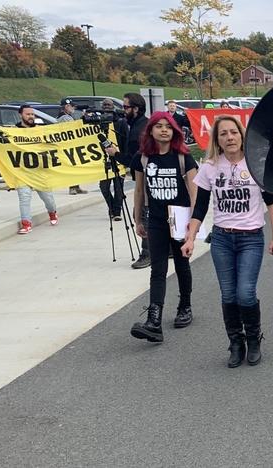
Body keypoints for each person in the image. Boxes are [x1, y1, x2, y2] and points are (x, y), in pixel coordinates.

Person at [182, 116, 273, 368]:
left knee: (245, 293)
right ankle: (235, 343)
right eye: (223, 134)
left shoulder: (256, 164)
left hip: (251, 239)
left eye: (233, 132)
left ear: (242, 135)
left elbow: (271, 203)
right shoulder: (210, 167)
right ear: (217, 140)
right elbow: (200, 207)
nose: (229, 137)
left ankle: (253, 339)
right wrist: (190, 237)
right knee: (228, 294)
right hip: (222, 239)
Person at [129, 112, 198, 343]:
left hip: (179, 218)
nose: (163, 130)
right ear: (150, 130)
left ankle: (185, 306)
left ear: (175, 130)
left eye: (168, 126)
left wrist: (194, 225)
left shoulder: (183, 157)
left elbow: (194, 191)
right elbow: (139, 190)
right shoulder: (143, 158)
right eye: (158, 126)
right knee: (157, 268)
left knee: (181, 264)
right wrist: (138, 218)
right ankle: (154, 319)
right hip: (156, 219)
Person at [105, 93, 150, 269]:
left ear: (136, 109)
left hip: (146, 178)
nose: (123, 111)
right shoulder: (138, 125)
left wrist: (115, 154)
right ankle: (164, 248)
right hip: (148, 176)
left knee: (143, 214)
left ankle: (147, 253)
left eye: (125, 107)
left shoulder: (139, 131)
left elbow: (133, 161)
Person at [15, 105, 58, 234]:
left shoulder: (40, 130)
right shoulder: (13, 131)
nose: (31, 117)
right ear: (20, 115)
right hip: (22, 173)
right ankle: (26, 223)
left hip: (39, 171)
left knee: (48, 199)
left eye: (32, 114)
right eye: (28, 114)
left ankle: (52, 213)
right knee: (24, 197)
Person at [98, 98, 129, 221]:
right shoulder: (97, 121)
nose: (106, 107)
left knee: (118, 187)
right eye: (104, 104)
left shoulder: (120, 122)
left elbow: (126, 140)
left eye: (109, 105)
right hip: (102, 160)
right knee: (104, 187)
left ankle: (117, 212)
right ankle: (111, 208)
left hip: (118, 158)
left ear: (113, 106)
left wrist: (126, 159)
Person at [58, 98, 88, 195]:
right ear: (66, 106)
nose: (74, 108)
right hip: (68, 146)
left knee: (75, 166)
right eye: (72, 106)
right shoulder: (65, 118)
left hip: (70, 145)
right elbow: (73, 129)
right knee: (72, 166)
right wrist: (82, 119)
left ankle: (76, 186)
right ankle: (72, 187)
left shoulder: (65, 116)